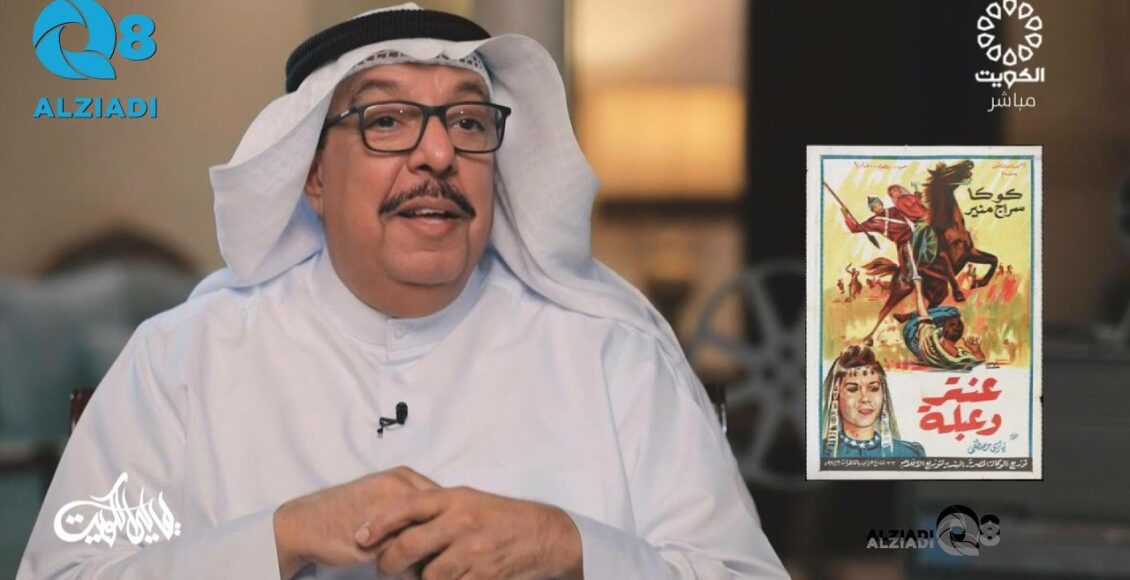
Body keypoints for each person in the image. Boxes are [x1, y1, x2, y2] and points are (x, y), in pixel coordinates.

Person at [18, 4, 786, 579]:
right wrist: (281, 537)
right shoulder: (184, 360)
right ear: (312, 176)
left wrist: (571, 547)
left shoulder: (612, 355)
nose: (440, 154)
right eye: (387, 120)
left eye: (468, 120)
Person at [819, 345, 924, 458]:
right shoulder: (819, 453)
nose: (865, 399)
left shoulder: (909, 454)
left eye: (874, 389)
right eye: (853, 389)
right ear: (836, 395)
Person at [894, 271, 985, 371]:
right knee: (952, 313)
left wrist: (918, 286)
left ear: (942, 329)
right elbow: (979, 361)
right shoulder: (957, 357)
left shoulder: (930, 335)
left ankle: (910, 316)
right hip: (920, 351)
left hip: (911, 333)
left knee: (954, 312)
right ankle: (912, 316)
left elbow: (922, 312)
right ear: (959, 337)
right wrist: (976, 351)